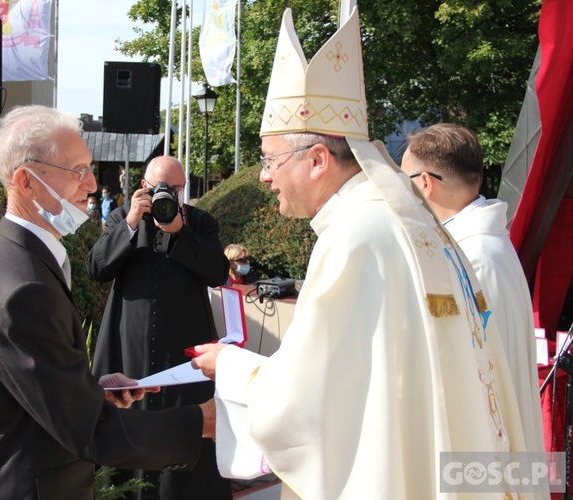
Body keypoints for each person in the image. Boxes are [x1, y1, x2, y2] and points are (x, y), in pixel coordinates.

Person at [193, 8, 538, 499]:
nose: (264, 175)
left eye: (270, 159)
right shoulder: (405, 220)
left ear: (317, 160)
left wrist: (230, 366)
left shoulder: (357, 234)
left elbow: (309, 400)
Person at [0, 105, 213, 499]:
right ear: (26, 181)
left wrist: (89, 390)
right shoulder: (23, 287)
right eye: (77, 170)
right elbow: (92, 431)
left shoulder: (21, 260)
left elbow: (36, 390)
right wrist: (200, 422)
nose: (92, 184)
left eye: (90, 168)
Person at [87, 155, 231, 499]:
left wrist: (181, 233)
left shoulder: (200, 221)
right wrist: (132, 223)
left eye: (176, 189)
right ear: (143, 188)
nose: (168, 194)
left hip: (184, 346)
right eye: (159, 188)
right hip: (127, 345)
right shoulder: (123, 217)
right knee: (129, 421)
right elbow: (96, 267)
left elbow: (218, 272)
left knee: (185, 423)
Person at [401, 122, 544, 452]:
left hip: (484, 453)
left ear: (424, 183)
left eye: (402, 180)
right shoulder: (487, 242)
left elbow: (471, 377)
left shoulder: (468, 256)